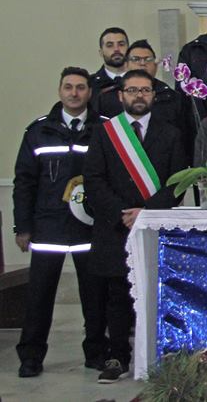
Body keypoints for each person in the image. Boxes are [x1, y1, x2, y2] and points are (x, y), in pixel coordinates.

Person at [83, 70, 187, 384]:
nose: (138, 96)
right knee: (118, 295)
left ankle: (160, 357)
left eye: (144, 90)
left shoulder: (171, 133)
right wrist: (121, 212)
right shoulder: (104, 133)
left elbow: (178, 182)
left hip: (155, 226)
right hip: (116, 227)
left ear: (153, 95)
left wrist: (147, 212)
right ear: (121, 95)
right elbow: (94, 180)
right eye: (132, 90)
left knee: (159, 293)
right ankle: (118, 357)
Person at [13, 67, 109, 378]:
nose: (74, 93)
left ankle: (95, 352)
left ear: (89, 92)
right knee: (39, 297)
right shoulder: (38, 131)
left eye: (80, 87)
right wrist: (22, 227)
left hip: (89, 228)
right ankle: (31, 356)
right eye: (68, 87)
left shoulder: (104, 130)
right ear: (60, 91)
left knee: (94, 296)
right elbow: (24, 182)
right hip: (48, 227)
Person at [94, 40, 187, 143]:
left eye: (148, 59)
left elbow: (182, 137)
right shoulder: (108, 98)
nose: (142, 64)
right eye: (136, 59)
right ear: (126, 64)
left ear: (155, 65)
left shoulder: (171, 98)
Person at [91, 27, 128, 98]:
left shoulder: (143, 82)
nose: (116, 49)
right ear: (101, 52)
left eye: (121, 44)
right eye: (110, 45)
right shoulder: (90, 85)